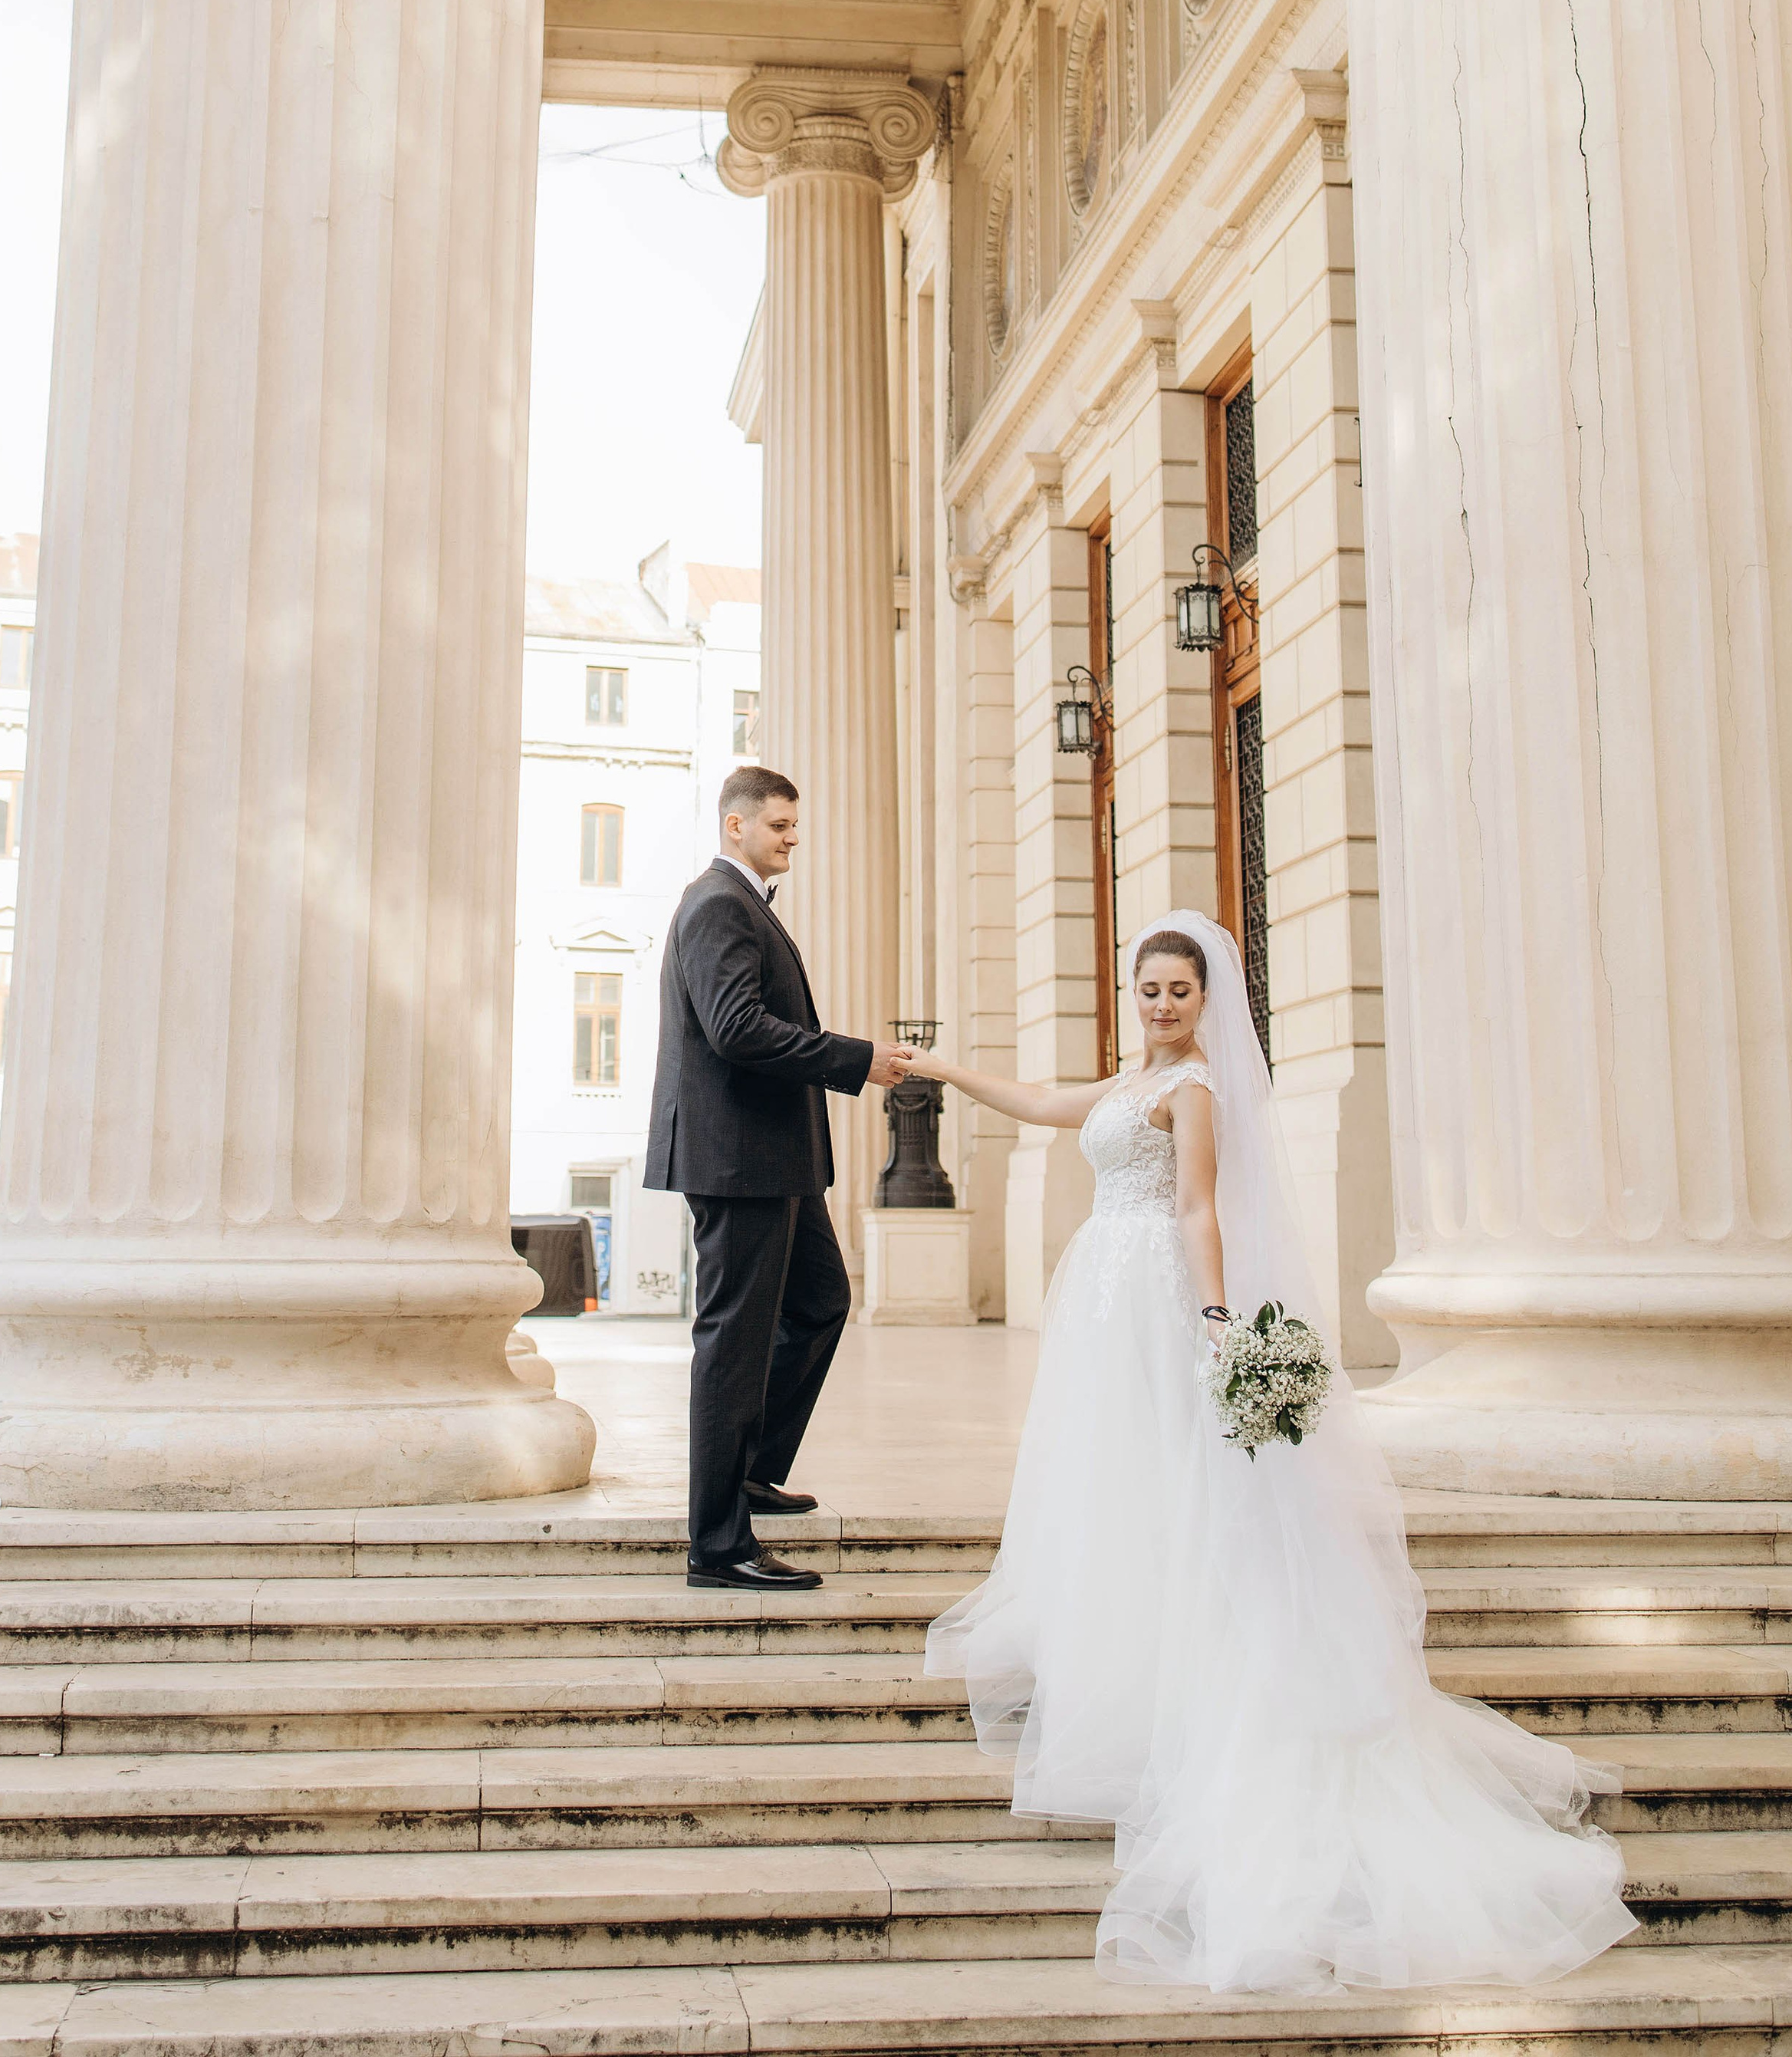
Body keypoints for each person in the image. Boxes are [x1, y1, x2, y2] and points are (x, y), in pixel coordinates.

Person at [905, 913, 1634, 1994]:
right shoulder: (1125, 1080)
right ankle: (1130, 1649)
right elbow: (1051, 1105)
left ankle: (1184, 1674)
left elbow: (1199, 1205)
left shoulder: (1192, 1088)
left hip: (1156, 1294)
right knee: (1120, 1487)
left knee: (1176, 1485)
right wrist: (947, 1070)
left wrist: (1212, 1315)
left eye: (1178, 991)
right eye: (1148, 987)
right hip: (1101, 1303)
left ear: (1207, 1002)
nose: (1161, 1003)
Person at [644, 764, 904, 1591]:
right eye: (781, 825)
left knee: (821, 1299)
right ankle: (717, 1542)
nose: (794, 836)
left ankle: (751, 1468)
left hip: (776, 1160)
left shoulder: (742, 903)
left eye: (794, 824)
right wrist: (854, 1060)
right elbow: (736, 1029)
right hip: (738, 1161)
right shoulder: (719, 902)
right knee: (733, 1340)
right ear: (736, 826)